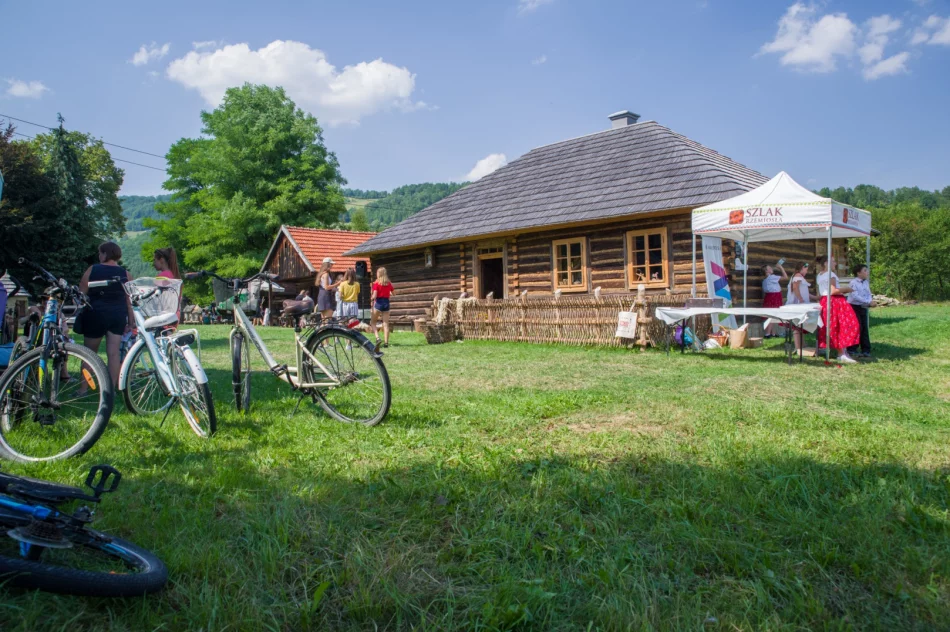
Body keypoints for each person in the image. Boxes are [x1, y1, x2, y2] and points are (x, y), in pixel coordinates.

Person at [79, 242, 135, 386]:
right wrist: (131, 322)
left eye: (100, 253)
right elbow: (130, 301)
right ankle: (110, 388)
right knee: (114, 353)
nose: (99, 256)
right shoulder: (126, 274)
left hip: (95, 314)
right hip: (117, 315)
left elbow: (82, 293)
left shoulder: (93, 269)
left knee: (89, 353)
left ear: (105, 254)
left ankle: (83, 388)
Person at [815, 254, 860, 364]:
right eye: (833, 261)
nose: (835, 263)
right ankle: (842, 353)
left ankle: (842, 352)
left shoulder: (819, 275)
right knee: (844, 325)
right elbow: (833, 291)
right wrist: (847, 289)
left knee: (834, 326)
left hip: (825, 301)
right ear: (826, 263)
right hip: (834, 301)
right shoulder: (830, 274)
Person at [785, 262, 812, 353]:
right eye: (806, 269)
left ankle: (802, 345)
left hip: (800, 303)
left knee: (800, 325)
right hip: (797, 304)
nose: (807, 271)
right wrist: (800, 299)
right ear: (802, 268)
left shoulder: (798, 276)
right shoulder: (798, 275)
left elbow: (802, 290)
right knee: (797, 326)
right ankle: (798, 348)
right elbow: (795, 288)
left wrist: (815, 297)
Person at [848, 264, 872, 358]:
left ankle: (866, 349)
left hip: (862, 306)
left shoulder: (865, 282)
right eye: (865, 270)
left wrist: (869, 301)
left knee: (864, 327)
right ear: (858, 273)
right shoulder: (853, 282)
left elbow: (868, 293)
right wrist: (867, 302)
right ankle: (852, 348)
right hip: (854, 306)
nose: (867, 272)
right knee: (857, 327)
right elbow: (855, 296)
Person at [761, 263, 787, 337]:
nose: (771, 269)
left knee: (772, 314)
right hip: (774, 297)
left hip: (769, 297)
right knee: (773, 315)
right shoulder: (772, 277)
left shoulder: (765, 280)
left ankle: (773, 333)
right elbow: (785, 277)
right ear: (766, 271)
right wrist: (781, 268)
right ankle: (768, 333)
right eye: (769, 268)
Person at [369, 266, 394, 348]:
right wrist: (388, 293)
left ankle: (377, 338)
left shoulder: (376, 284)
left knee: (373, 322)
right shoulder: (389, 283)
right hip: (386, 303)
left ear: (378, 274)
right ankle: (386, 343)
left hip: (378, 303)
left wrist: (371, 298)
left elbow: (375, 295)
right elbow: (394, 293)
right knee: (386, 324)